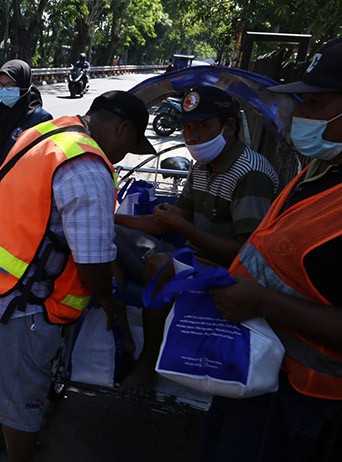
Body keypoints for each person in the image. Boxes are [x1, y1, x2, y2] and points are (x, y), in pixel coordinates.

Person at [0, 90, 156, 462]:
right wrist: (110, 303)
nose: (122, 158)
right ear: (123, 129)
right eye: (129, 148)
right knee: (23, 395)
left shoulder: (47, 133)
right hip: (17, 302)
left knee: (1, 380)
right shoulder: (88, 167)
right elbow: (92, 260)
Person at [203, 36, 342, 462]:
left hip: (302, 398)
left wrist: (264, 302)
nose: (300, 115)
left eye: (315, 104)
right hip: (254, 366)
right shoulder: (320, 169)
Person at [115, 86, 280, 394]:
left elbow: (248, 254)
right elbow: (165, 222)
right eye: (188, 127)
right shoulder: (202, 166)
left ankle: (148, 361)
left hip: (228, 272)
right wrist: (111, 219)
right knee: (107, 238)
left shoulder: (250, 175)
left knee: (158, 265)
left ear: (228, 128)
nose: (192, 136)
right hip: (193, 257)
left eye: (202, 126)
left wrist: (184, 228)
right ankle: (118, 332)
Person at [0, 59, 52, 199]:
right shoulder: (2, 113)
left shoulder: (40, 119)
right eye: (1, 85)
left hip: (18, 196)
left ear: (23, 85)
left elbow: (40, 168)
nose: (5, 90)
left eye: (10, 85)